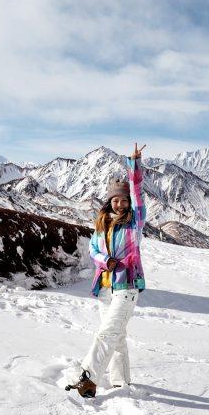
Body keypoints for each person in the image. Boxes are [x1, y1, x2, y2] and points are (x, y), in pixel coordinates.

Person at [66, 142, 147, 398]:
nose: (121, 204)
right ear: (109, 201)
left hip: (127, 286)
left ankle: (88, 377)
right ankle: (121, 383)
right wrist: (105, 259)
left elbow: (137, 191)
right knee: (118, 336)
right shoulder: (102, 224)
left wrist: (134, 164)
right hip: (104, 287)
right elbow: (92, 249)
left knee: (107, 332)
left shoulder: (135, 221)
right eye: (116, 199)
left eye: (124, 200)